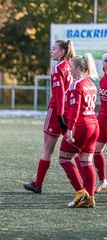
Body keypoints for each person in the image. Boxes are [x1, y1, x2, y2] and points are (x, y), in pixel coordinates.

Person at [23, 40, 78, 193]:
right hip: (71, 110)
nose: (51, 51)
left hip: (57, 112)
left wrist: (59, 115)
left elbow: (59, 94)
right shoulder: (71, 65)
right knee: (77, 151)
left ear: (62, 52)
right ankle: (86, 186)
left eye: (53, 49)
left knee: (47, 149)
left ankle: (38, 185)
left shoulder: (58, 68)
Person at [59, 53, 99, 208]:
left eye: (70, 67)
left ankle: (81, 192)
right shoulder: (90, 83)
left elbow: (75, 109)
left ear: (76, 68)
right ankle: (90, 197)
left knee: (63, 158)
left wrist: (70, 129)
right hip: (93, 125)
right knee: (86, 162)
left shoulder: (77, 84)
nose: (69, 70)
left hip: (81, 126)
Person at [93, 50, 107, 193]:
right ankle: (103, 181)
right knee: (96, 151)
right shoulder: (103, 79)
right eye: (106, 60)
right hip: (102, 120)